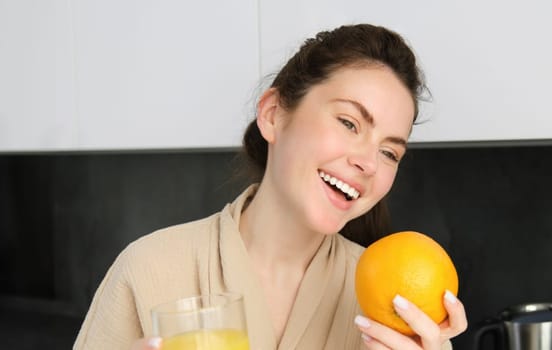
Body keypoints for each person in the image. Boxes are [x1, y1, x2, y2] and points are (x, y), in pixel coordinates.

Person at [72, 23, 468, 350]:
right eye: (349, 123)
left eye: (389, 153)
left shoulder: (396, 312)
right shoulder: (149, 270)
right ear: (274, 114)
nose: (367, 162)